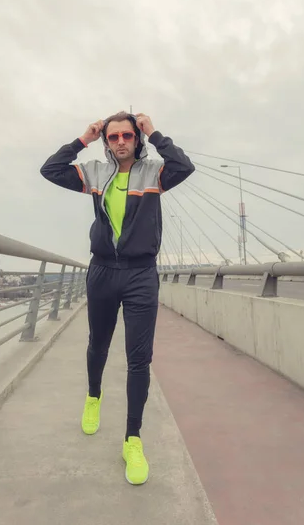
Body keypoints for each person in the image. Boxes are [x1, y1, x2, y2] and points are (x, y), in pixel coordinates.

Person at [40, 111, 194, 485]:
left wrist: (153, 132)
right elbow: (51, 169)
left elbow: (184, 166)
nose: (121, 141)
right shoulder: (94, 172)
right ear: (106, 141)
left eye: (127, 135)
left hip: (141, 274)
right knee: (99, 345)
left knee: (139, 359)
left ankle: (133, 439)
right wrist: (83, 138)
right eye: (113, 137)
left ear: (136, 138)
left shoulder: (154, 172)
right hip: (103, 272)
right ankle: (94, 395)